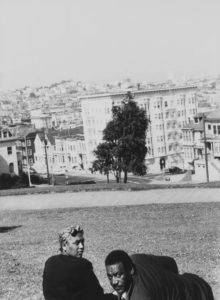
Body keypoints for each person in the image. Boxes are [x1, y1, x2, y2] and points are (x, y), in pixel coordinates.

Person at [105, 250, 214, 300]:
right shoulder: (136, 258)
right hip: (193, 281)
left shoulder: (142, 296)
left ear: (131, 270)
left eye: (119, 275)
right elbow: (171, 263)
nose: (114, 282)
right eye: (110, 276)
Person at [43, 225, 116, 300]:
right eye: (77, 243)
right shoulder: (82, 265)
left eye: (82, 242)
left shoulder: (49, 263)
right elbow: (98, 295)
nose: (81, 246)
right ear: (64, 245)